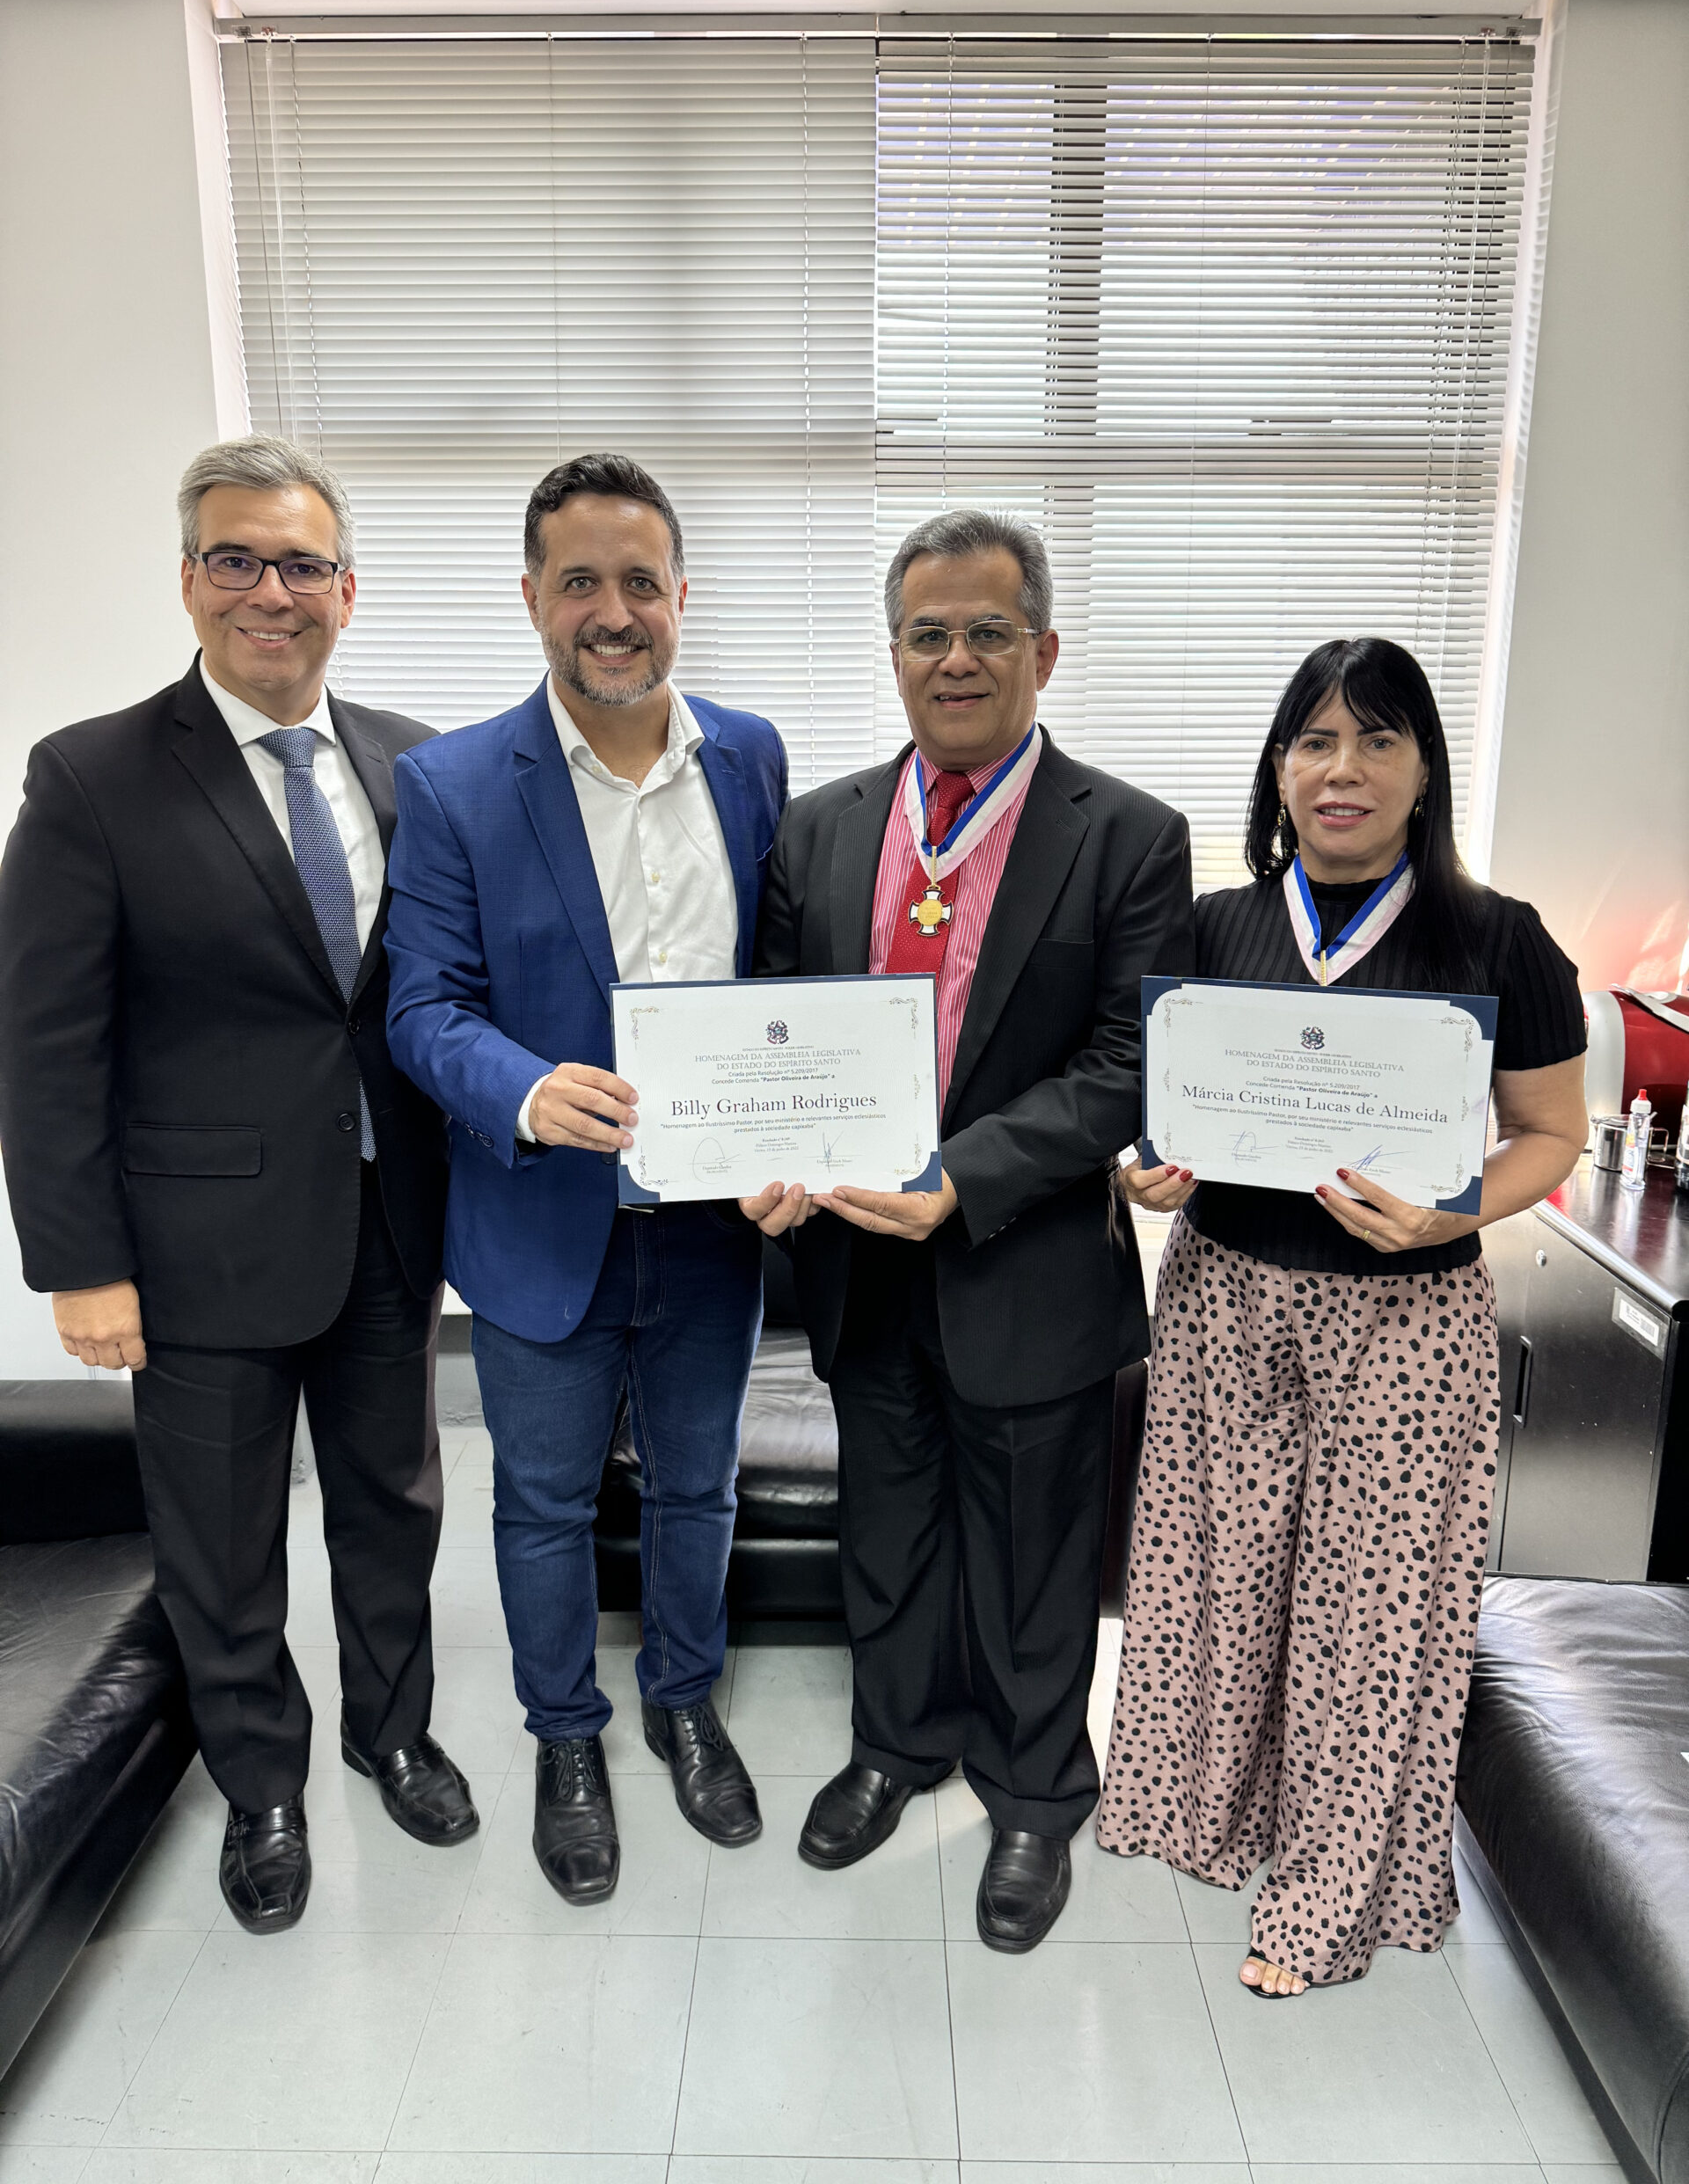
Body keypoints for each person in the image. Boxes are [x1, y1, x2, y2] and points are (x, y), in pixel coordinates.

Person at [0, 435, 474, 1937]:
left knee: (393, 1507)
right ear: (189, 580)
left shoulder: (417, 764)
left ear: (349, 590)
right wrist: (80, 1261)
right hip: (191, 1244)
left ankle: (393, 1733)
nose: (271, 591)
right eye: (237, 559)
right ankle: (262, 1780)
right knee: (218, 1533)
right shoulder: (91, 775)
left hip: (389, 1221)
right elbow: (46, 1040)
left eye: (301, 564)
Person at [1100, 637, 1589, 1994]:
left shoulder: (1496, 935)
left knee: (1367, 1616)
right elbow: (1158, 1123)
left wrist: (1452, 1210)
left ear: (1426, 769)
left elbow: (1552, 1134)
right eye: (1314, 740)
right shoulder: (1215, 926)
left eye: (1378, 739)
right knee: (1215, 1577)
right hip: (1225, 1299)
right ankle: (1207, 1815)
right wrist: (1146, 1171)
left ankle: (1332, 1893)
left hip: (1405, 1320)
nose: (1343, 769)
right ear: (1278, 769)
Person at [745, 509, 1194, 1951]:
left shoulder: (1127, 835)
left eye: (988, 632)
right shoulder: (818, 827)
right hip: (858, 1264)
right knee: (889, 1529)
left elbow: (1128, 1062)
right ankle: (896, 1746)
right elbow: (772, 1033)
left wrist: (962, 1173)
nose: (956, 659)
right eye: (928, 633)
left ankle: (1034, 1794)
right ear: (892, 654)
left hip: (1028, 1263)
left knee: (1033, 1555)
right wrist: (763, 1156)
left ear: (1043, 652)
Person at [384, 452, 786, 1907]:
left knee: (698, 1487)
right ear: (532, 599)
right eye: (579, 584)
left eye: (638, 582)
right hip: (538, 1223)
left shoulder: (750, 757)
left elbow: (786, 981)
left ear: (682, 593)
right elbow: (423, 1009)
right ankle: (566, 1735)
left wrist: (802, 1137)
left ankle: (684, 1702)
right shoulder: (451, 784)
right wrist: (529, 1089)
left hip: (713, 1227)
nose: (612, 613)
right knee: (545, 1504)